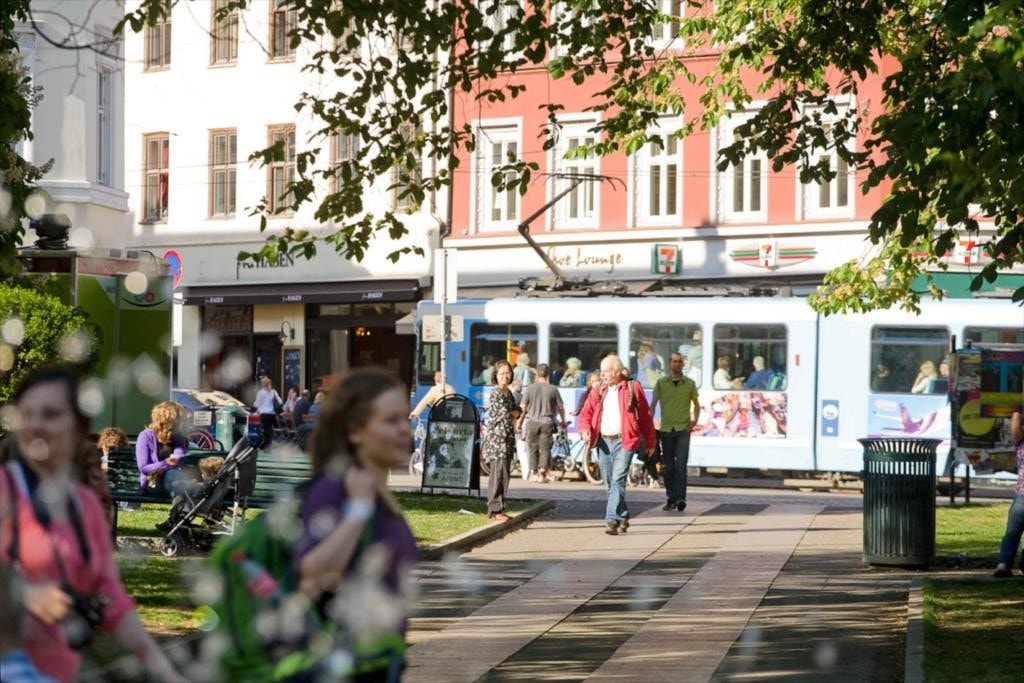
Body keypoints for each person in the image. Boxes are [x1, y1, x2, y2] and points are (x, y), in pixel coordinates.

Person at [0, 366, 185, 683]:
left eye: (51, 413)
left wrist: (165, 672)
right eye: (27, 413)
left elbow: (112, 597)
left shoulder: (84, 505)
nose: (36, 424)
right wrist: (22, 591)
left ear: (78, 426)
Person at [294, 367, 418, 679]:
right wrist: (359, 510)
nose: (405, 429)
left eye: (405, 418)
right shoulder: (337, 487)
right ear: (355, 430)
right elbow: (310, 574)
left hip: (376, 662)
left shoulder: (373, 489)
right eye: (391, 420)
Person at [578, 355, 656, 536]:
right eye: (601, 371)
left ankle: (611, 519)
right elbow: (586, 414)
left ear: (616, 372)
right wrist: (584, 430)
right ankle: (623, 515)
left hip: (625, 441)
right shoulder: (597, 390)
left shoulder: (632, 387)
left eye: (605, 371)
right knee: (609, 483)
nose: (602, 375)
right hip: (603, 442)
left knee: (618, 480)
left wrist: (651, 442)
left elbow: (645, 416)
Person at [650, 352, 701, 512]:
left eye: (679, 362)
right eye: (674, 361)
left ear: (683, 364)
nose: (677, 364)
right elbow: (653, 405)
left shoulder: (690, 384)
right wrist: (649, 426)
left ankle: (680, 498)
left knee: (681, 465)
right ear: (669, 364)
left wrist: (694, 421)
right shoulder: (661, 383)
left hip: (683, 430)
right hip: (666, 429)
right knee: (669, 467)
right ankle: (671, 498)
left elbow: (697, 405)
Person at [482, 361, 520, 520]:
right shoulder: (495, 393)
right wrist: (513, 412)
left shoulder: (508, 393)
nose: (505, 376)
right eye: (502, 373)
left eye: (508, 372)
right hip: (498, 439)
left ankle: (500, 508)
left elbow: (518, 410)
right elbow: (506, 413)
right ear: (495, 376)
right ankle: (494, 510)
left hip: (508, 438)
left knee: (505, 474)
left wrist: (514, 412)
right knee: (497, 474)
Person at [519, 363, 566, 483]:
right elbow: (560, 407)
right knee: (545, 448)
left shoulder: (530, 388)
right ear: (547, 374)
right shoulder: (553, 389)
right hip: (547, 422)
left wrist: (520, 421)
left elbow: (523, 406)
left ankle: (533, 473)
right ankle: (542, 472)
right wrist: (563, 420)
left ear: (537, 374)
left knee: (532, 447)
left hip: (532, 421)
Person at [135, 401, 190, 497]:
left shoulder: (177, 435)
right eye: (179, 419)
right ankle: (184, 506)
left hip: (174, 479)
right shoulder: (145, 436)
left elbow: (180, 455)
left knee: (174, 476)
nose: (181, 422)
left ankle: (182, 506)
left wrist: (177, 459)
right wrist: (166, 463)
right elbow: (144, 468)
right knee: (173, 476)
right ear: (169, 420)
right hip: (153, 481)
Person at [993, 411, 1024, 578]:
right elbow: (1017, 416)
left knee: (1012, 532)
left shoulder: (1021, 443)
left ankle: (1004, 564)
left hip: (1021, 496)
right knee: (1013, 531)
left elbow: (1016, 417)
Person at [253, 377, 283, 446]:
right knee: (270, 429)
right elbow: (280, 402)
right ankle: (270, 443)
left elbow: (257, 404)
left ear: (262, 384)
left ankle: (266, 445)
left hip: (263, 414)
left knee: (265, 430)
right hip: (272, 414)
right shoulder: (273, 392)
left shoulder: (260, 393)